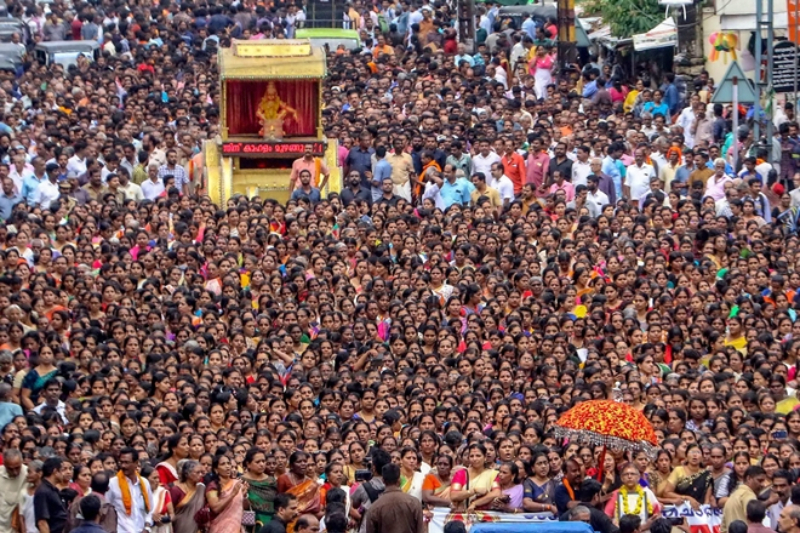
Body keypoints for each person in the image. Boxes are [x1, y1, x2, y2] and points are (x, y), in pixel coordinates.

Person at [364, 463, 424, 533]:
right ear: (399, 480)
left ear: (383, 480)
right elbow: (420, 530)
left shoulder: (374, 507)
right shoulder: (414, 503)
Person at [107, 448, 154, 533]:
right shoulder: (112, 483)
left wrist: (147, 528)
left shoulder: (144, 483)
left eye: (126, 462)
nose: (123, 466)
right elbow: (106, 509)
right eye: (121, 462)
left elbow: (150, 509)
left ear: (136, 463)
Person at [722, 467, 768, 533]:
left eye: (763, 481)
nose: (763, 485)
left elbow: (723, 528)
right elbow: (754, 524)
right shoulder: (749, 495)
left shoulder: (732, 496)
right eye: (760, 480)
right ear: (749, 478)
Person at [168, 460, 206, 533]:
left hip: (198, 528)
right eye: (197, 472)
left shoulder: (201, 488)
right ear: (187, 474)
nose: (201, 475)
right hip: (181, 527)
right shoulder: (176, 490)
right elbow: (170, 511)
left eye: (201, 472)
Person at [33, 457, 67, 533]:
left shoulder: (53, 490)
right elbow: (42, 522)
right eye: (62, 470)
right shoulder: (43, 491)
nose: (64, 474)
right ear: (55, 471)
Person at [0, 449, 26, 533]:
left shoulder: (28, 475)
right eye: (10, 469)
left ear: (22, 462)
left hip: (15, 528)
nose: (15, 472)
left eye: (17, 468)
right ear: (4, 465)